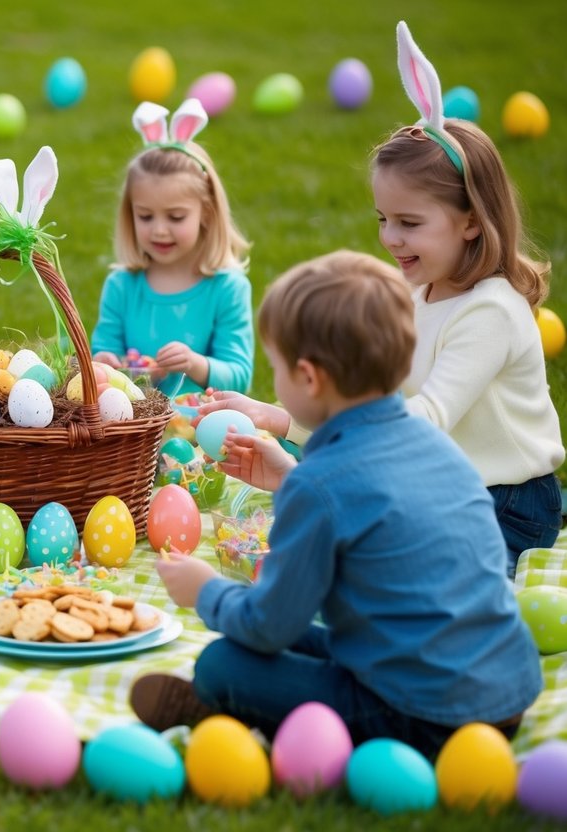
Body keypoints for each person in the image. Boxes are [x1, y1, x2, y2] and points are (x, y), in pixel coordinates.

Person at [131, 251, 542, 759]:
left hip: (428, 715)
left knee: (222, 663)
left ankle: (225, 709)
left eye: (278, 367)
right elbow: (370, 506)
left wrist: (207, 592)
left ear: (308, 378)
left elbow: (268, 624)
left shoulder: (321, 485)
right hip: (505, 691)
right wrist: (293, 477)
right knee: (314, 640)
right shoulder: (439, 446)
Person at [197, 23, 563, 576]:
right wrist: (277, 419)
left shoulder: (492, 309)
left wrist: (314, 477)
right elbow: (378, 411)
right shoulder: (417, 293)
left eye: (410, 222)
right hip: (439, 482)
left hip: (505, 504)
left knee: (382, 559)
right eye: (384, 220)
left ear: (471, 221)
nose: (390, 238)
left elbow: (421, 424)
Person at [90, 98, 253, 398]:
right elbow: (104, 354)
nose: (159, 229)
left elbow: (239, 376)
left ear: (206, 212)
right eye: (145, 216)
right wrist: (107, 364)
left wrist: (195, 364)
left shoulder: (227, 288)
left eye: (176, 217)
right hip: (133, 425)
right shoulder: (122, 285)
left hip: (201, 422)